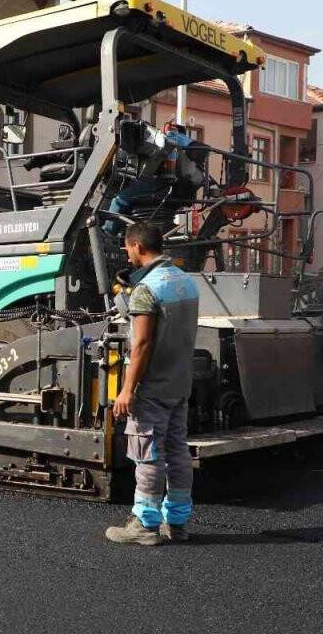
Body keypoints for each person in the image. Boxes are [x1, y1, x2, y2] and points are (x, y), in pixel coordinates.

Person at [105, 223, 200, 547]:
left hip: (153, 388)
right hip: (179, 384)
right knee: (177, 454)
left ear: (137, 247)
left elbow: (142, 344)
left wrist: (127, 389)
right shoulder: (187, 282)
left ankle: (145, 525)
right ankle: (177, 523)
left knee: (148, 456)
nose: (127, 254)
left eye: (127, 249)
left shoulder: (148, 289)